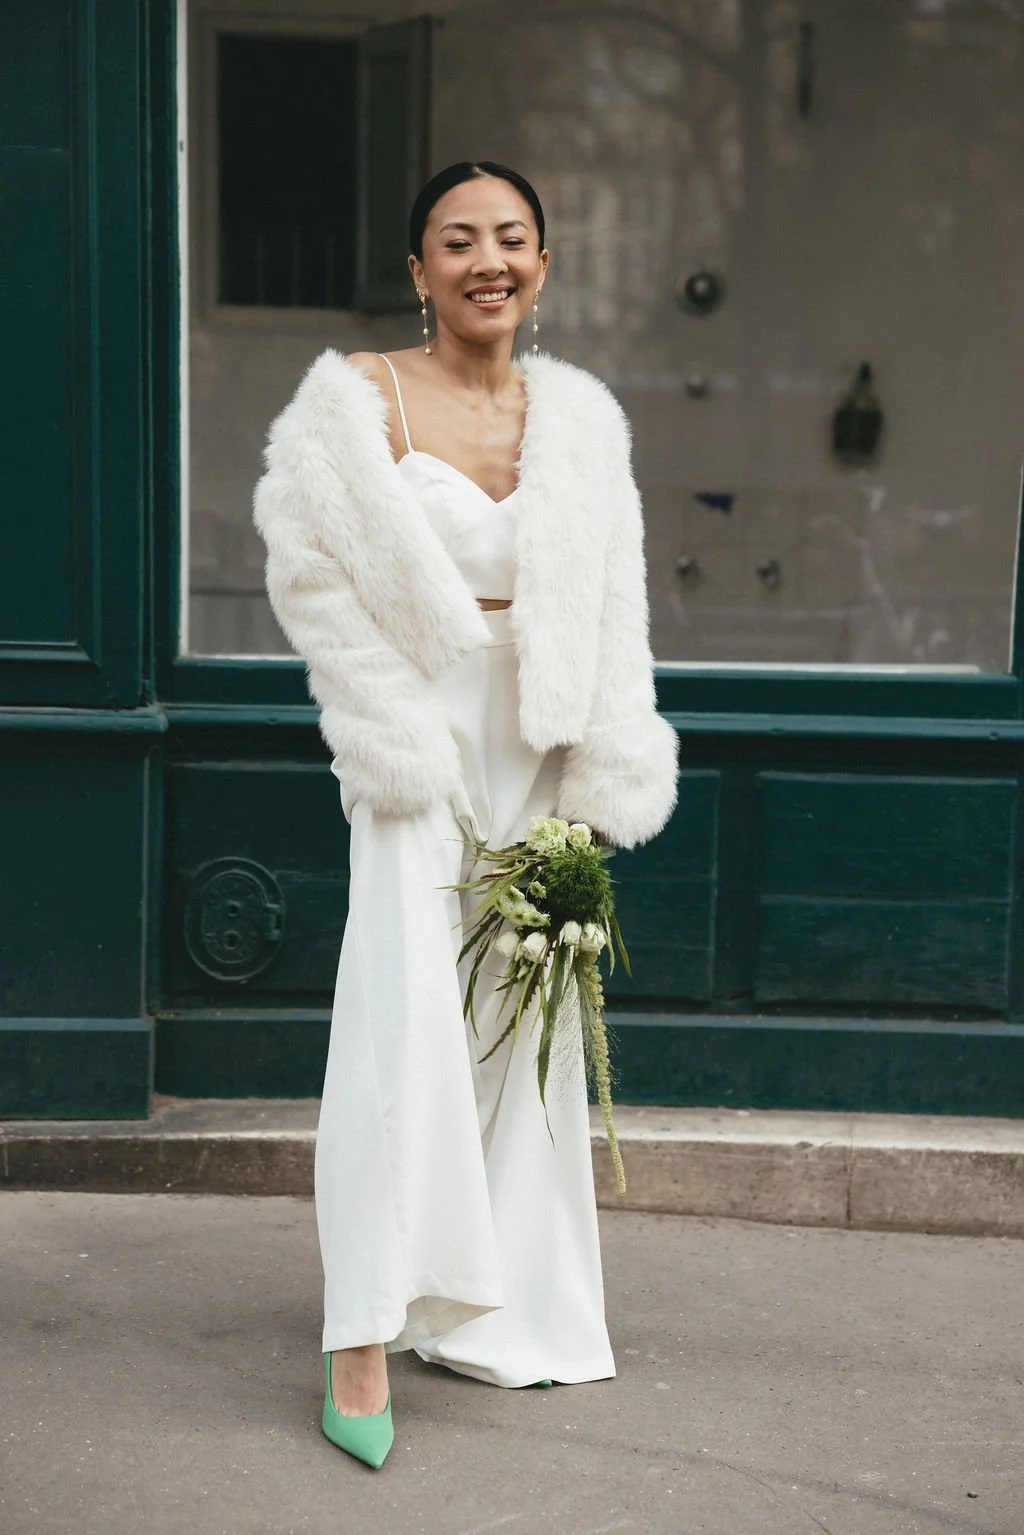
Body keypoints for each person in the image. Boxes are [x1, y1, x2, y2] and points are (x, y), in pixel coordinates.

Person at [253, 161, 679, 1469]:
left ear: (542, 263)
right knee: (400, 1019)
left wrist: (604, 768)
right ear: (419, 268)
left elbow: (615, 600)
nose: (487, 259)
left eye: (511, 237)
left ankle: (503, 1304)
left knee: (521, 1022)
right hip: (415, 734)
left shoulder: (582, 419)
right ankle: (362, 1330)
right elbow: (308, 574)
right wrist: (389, 723)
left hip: (538, 733)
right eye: (458, 240)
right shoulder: (357, 400)